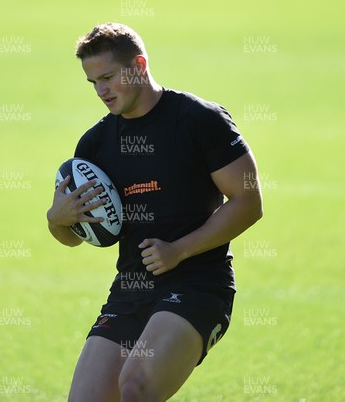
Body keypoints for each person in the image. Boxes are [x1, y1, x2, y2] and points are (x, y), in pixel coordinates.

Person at [47, 22, 263, 402]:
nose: (101, 91)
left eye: (109, 77)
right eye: (93, 82)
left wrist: (179, 249)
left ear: (140, 65)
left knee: (136, 387)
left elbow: (249, 203)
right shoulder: (95, 144)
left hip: (197, 285)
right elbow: (77, 236)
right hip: (130, 290)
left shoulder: (200, 120)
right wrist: (57, 219)